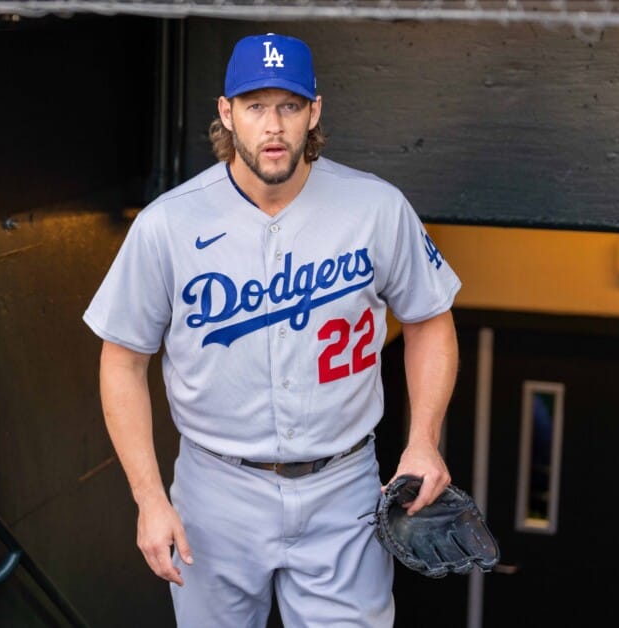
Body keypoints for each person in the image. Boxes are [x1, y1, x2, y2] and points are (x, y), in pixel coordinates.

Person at [83, 32, 461, 628]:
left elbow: (430, 321)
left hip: (344, 487)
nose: (273, 125)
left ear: (315, 110)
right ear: (226, 113)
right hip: (216, 490)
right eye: (255, 106)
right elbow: (122, 360)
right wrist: (149, 498)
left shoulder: (376, 208)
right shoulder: (167, 225)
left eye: (288, 105)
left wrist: (423, 439)